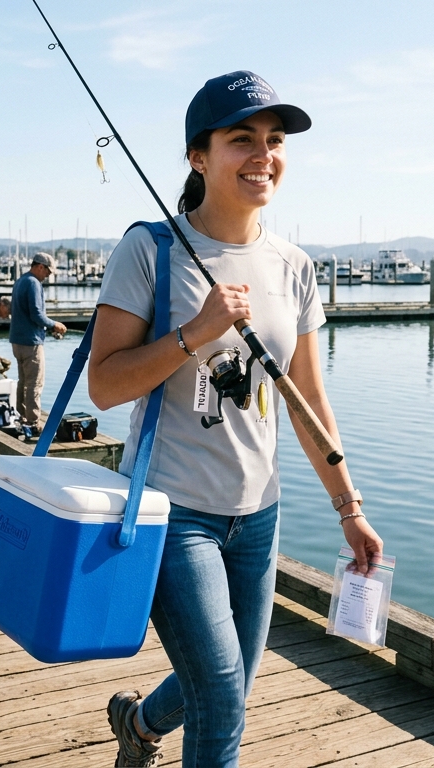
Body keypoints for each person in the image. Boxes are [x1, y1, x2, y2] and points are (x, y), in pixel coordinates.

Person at [89, 70, 384, 768]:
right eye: (241, 138)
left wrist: (350, 509)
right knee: (222, 695)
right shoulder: (149, 251)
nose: (264, 154)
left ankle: (137, 725)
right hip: (171, 507)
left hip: (259, 515)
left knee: (230, 683)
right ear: (200, 156)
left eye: (275, 140)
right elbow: (103, 386)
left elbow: (308, 399)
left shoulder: (293, 265)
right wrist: (196, 331)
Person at [9, 252, 66, 435]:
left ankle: (22, 415)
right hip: (30, 342)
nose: (48, 276)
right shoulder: (34, 283)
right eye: (48, 271)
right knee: (35, 382)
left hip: (17, 341)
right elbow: (36, 314)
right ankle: (33, 422)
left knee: (23, 380)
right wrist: (54, 324)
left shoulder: (20, 281)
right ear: (40, 266)